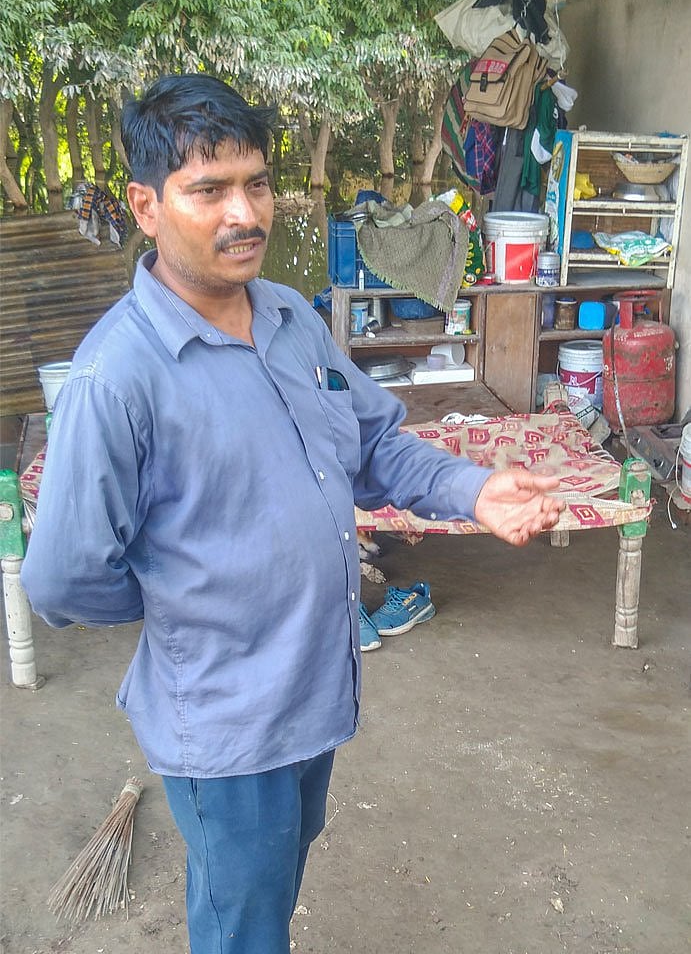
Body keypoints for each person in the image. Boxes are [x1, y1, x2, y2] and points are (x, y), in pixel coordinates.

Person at [21, 73, 563, 954]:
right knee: (247, 927)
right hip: (228, 721)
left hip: (315, 688)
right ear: (146, 207)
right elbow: (62, 576)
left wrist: (474, 491)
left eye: (258, 183)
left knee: (259, 886)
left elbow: (373, 444)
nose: (245, 213)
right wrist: (181, 608)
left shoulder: (286, 318)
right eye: (208, 190)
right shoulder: (117, 375)